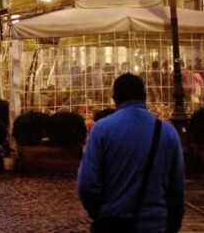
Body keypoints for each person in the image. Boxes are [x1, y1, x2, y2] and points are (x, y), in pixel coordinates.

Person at [78, 73, 185, 232]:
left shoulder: (102, 130)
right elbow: (177, 187)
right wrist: (172, 224)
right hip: (155, 225)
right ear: (144, 97)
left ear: (115, 98)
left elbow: (87, 183)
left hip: (114, 223)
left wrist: (100, 213)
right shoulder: (167, 133)